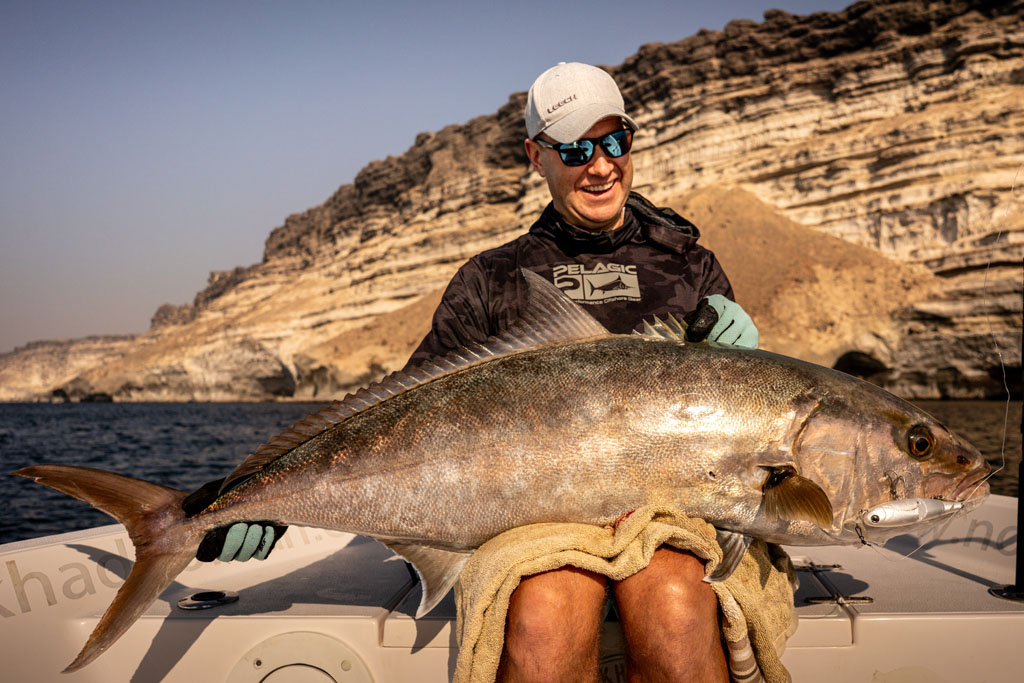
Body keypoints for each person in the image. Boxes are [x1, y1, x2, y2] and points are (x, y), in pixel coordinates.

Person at [187, 62, 757, 683]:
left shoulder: (693, 267)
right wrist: (259, 494)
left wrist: (745, 354)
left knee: (675, 606)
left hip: (674, 509)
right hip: (530, 519)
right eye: (574, 148)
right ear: (535, 157)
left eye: (614, 141)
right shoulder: (491, 279)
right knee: (546, 615)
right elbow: (404, 425)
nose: (600, 165)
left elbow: (741, 424)